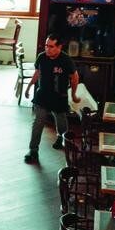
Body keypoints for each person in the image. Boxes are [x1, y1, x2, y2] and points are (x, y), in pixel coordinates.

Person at [23, 33, 81, 164]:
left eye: (51, 46)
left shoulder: (66, 60)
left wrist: (73, 94)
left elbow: (75, 77)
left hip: (59, 96)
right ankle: (33, 150)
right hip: (42, 95)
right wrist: (29, 87)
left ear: (59, 47)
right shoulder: (42, 57)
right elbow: (37, 73)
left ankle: (62, 139)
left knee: (61, 120)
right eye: (46, 46)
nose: (47, 49)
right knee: (38, 122)